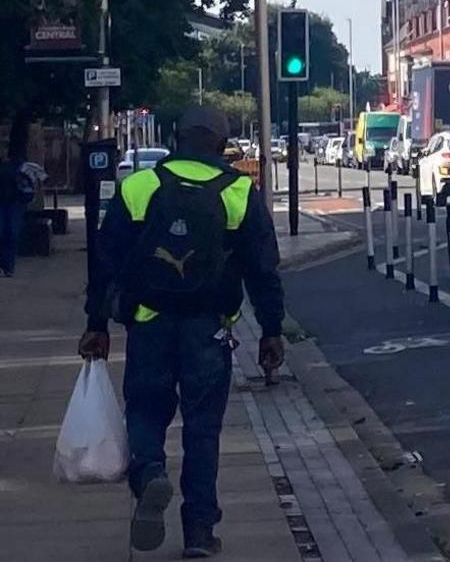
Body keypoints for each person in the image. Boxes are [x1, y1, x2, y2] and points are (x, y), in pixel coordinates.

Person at [79, 106, 286, 558]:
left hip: (150, 323)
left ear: (175, 138)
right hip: (209, 328)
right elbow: (263, 269)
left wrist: (96, 323)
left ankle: (151, 470)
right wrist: (271, 330)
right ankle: (198, 533)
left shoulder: (140, 186)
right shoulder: (238, 191)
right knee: (203, 430)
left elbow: (105, 261)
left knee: (146, 410)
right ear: (222, 144)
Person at [0, 150, 38, 277]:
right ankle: (8, 266)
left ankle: (7, 265)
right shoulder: (20, 165)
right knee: (10, 233)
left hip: (13, 201)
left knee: (9, 233)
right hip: (14, 202)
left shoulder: (17, 165)